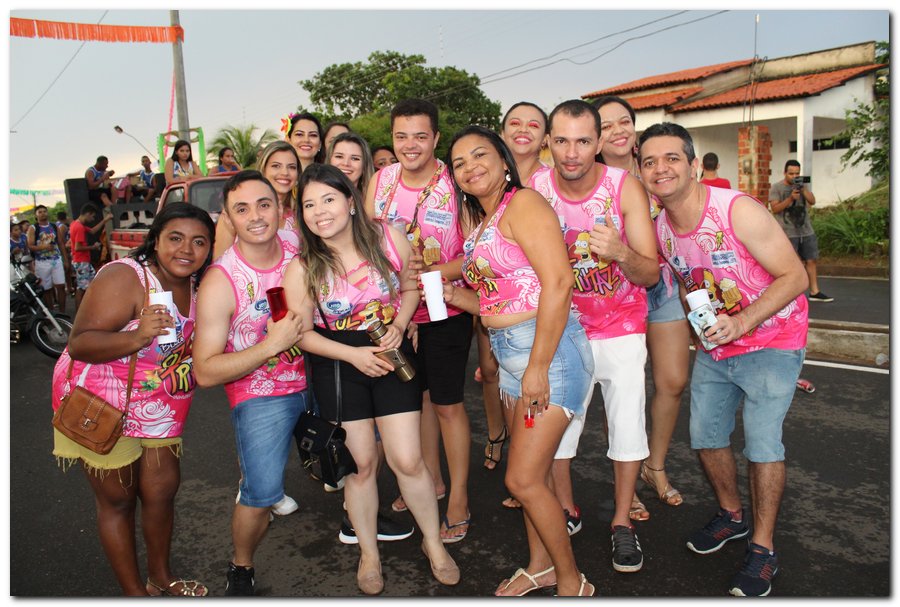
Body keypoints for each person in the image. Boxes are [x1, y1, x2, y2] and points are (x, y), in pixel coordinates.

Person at [639, 122, 809, 597]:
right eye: (650, 161)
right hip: (718, 346)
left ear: (694, 165)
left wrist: (743, 321)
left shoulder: (737, 211)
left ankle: (762, 547)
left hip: (774, 340)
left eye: (672, 158)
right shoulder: (660, 229)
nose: (660, 169)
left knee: (761, 444)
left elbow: (794, 277)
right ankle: (732, 516)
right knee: (707, 437)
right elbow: (688, 281)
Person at [282, 164, 459, 595]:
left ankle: (434, 545)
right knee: (360, 466)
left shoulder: (387, 237)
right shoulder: (304, 266)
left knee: (408, 459)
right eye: (308, 204)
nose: (319, 211)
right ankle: (369, 554)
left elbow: (410, 286)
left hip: (392, 352)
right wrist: (353, 355)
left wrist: (400, 322)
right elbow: (300, 334)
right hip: (340, 363)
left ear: (349, 200)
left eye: (328, 199)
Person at [445, 125, 595, 596]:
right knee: (537, 475)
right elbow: (498, 298)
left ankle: (573, 582)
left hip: (548, 354)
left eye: (479, 155)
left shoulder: (524, 204)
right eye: (459, 163)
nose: (470, 167)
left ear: (505, 160)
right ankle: (539, 566)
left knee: (522, 479)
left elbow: (558, 284)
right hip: (512, 352)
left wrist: (536, 367)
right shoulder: (485, 221)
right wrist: (455, 295)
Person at [50, 202, 215, 596]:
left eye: (199, 242)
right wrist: (136, 336)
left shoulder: (199, 284)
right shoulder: (125, 277)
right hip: (102, 404)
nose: (186, 250)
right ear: (155, 240)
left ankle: (161, 576)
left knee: (161, 494)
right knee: (118, 500)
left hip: (162, 405)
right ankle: (135, 594)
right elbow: (81, 342)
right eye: (175, 238)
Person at [532, 99, 659, 574]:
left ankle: (623, 522)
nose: (571, 152)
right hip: (564, 329)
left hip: (621, 327)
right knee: (559, 431)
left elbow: (649, 273)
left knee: (628, 426)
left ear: (599, 141)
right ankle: (566, 510)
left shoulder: (624, 187)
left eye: (583, 141)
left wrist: (621, 252)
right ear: (548, 142)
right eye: (561, 140)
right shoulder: (535, 188)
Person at [192, 170, 307, 596]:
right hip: (261, 395)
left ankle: (359, 523)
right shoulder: (221, 281)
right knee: (260, 493)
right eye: (242, 209)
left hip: (317, 375)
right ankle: (241, 566)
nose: (256, 216)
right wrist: (270, 347)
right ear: (228, 218)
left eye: (264, 204)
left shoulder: (299, 245)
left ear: (280, 208)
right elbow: (204, 371)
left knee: (357, 457)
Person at [364, 99, 472, 544]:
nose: (410, 146)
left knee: (447, 404)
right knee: (417, 400)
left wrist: (432, 274)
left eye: (420, 136)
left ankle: (460, 497)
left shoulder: (456, 183)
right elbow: (365, 242)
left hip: (445, 307)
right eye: (401, 136)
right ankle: (430, 481)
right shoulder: (382, 180)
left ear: (436, 139)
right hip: (396, 314)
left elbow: (473, 255)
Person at [594, 95, 689, 520]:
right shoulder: (587, 179)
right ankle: (625, 482)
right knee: (622, 391)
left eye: (624, 121)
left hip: (661, 286)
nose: (618, 130)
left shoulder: (652, 169)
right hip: (610, 294)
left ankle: (655, 466)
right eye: (607, 124)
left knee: (671, 381)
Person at [491, 102, 552, 512]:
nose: (524, 130)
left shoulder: (550, 183)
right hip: (500, 324)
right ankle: (535, 490)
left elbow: (557, 274)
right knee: (522, 423)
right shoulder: (488, 179)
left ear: (546, 138)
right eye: (515, 122)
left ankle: (556, 505)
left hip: (544, 321)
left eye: (534, 124)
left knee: (547, 427)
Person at [213, 141, 300, 260]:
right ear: (263, 169)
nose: (285, 173)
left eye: (292, 167)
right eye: (276, 166)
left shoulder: (300, 214)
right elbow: (219, 261)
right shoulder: (236, 214)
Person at [769, 160, 833, 302]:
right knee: (792, 264)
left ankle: (815, 291)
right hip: (787, 231)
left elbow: (813, 201)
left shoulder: (803, 185)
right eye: (791, 173)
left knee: (811, 260)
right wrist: (791, 199)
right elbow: (775, 209)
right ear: (785, 173)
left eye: (797, 173)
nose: (794, 176)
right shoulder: (776, 188)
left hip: (805, 229)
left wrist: (803, 190)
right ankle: (793, 295)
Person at [68, 202, 113, 313]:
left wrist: (105, 220)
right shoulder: (79, 227)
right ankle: (80, 312)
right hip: (81, 261)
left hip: (82, 261)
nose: (93, 219)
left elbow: (93, 231)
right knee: (82, 288)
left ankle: (85, 310)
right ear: (88, 214)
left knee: (87, 285)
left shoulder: (76, 224)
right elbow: (78, 247)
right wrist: (93, 247)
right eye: (92, 216)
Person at [27, 204, 70, 312]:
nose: (42, 214)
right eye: (40, 212)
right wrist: (43, 247)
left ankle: (62, 312)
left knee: (60, 286)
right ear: (36, 215)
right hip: (42, 262)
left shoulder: (54, 226)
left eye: (44, 211)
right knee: (47, 289)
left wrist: (65, 260)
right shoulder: (33, 228)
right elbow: (30, 245)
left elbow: (61, 244)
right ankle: (51, 313)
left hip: (56, 260)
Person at [327, 131, 375, 196]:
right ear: (329, 160)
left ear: (365, 165)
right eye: (339, 156)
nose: (346, 163)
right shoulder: (313, 196)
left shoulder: (376, 203)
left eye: (354, 158)